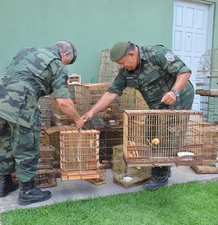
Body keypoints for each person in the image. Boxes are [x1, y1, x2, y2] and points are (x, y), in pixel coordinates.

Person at [82, 41, 194, 190]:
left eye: (122, 62)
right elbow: (111, 93)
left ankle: (161, 174)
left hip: (179, 96)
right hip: (157, 103)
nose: (122, 67)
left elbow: (184, 72)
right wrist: (91, 112)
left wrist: (174, 92)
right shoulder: (126, 71)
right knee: (151, 132)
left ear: (131, 54)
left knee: (168, 134)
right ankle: (159, 167)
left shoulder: (155, 54)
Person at [0, 40, 85, 205]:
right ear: (65, 54)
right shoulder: (58, 65)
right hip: (21, 103)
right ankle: (27, 191)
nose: (66, 65)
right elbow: (63, 102)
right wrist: (78, 119)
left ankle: (5, 183)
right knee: (26, 146)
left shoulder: (27, 50)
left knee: (3, 142)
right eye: (68, 61)